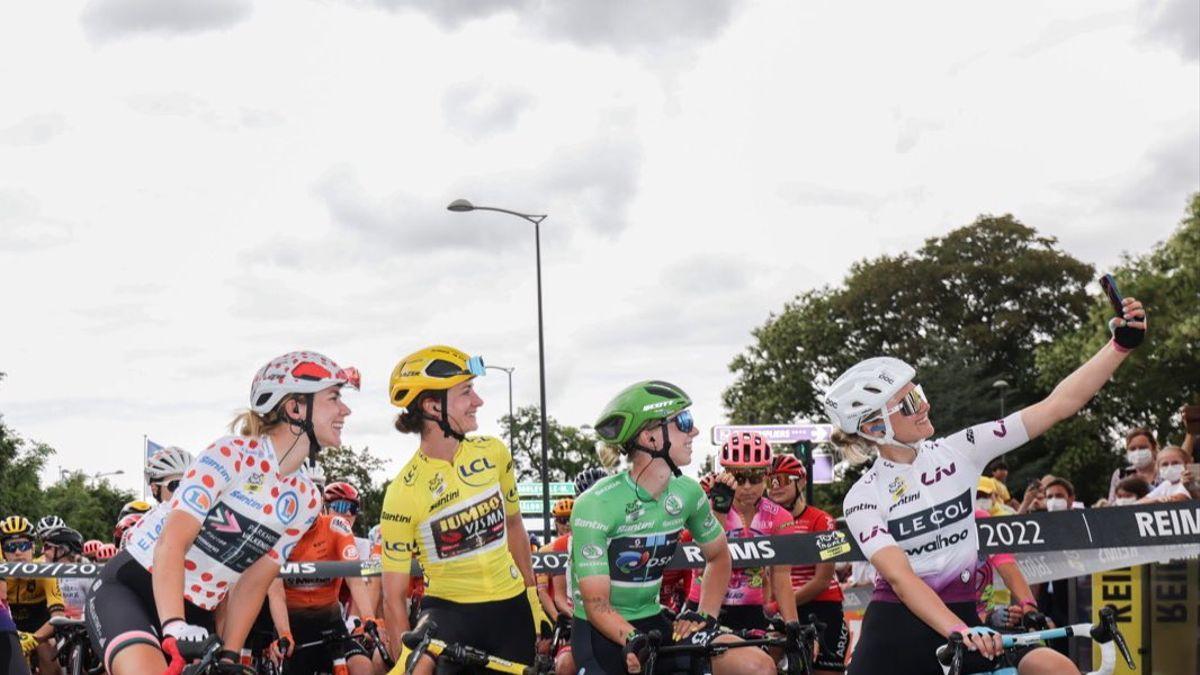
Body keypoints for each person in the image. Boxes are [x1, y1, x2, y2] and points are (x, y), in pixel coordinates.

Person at [830, 291, 1145, 675]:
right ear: (874, 426)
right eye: (910, 402)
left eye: (920, 393)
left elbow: (1056, 406)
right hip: (899, 635)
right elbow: (900, 577)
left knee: (1054, 667)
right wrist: (959, 630)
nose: (925, 404)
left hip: (966, 621)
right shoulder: (862, 497)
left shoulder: (959, 450)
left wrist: (1119, 347)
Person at [84, 350, 358, 674]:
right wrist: (173, 625)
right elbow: (171, 543)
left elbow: (253, 583)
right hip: (135, 587)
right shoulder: (231, 455)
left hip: (199, 610)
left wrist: (230, 654)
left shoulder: (306, 499)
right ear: (295, 407)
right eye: (333, 398)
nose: (345, 409)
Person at [570, 380, 776, 675]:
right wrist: (633, 639)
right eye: (683, 422)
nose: (694, 431)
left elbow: (718, 557)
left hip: (655, 620)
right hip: (602, 631)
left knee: (758, 666)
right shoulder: (596, 503)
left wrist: (703, 615)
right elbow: (597, 605)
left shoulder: (687, 493)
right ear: (649, 436)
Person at [380, 345, 547, 674]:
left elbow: (514, 526)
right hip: (449, 614)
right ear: (432, 406)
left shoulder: (494, 453)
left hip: (511, 612)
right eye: (466, 391)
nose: (478, 401)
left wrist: (532, 596)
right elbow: (394, 597)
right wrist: (403, 656)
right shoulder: (403, 492)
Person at [687, 432, 798, 634]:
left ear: (766, 475)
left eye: (755, 477)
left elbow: (781, 577)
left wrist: (792, 625)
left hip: (751, 610)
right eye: (739, 478)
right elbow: (703, 563)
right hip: (704, 603)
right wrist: (718, 513)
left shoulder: (780, 517)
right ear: (726, 474)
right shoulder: (706, 505)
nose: (747, 486)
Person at [271, 484, 377, 675]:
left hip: (331, 623)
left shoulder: (337, 526)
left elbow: (354, 577)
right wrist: (284, 633)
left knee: (363, 667)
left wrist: (368, 617)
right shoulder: (277, 533)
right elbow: (276, 593)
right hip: (293, 626)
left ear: (320, 505)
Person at [767, 453, 849, 675]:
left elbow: (823, 580)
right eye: (769, 481)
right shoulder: (765, 523)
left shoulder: (824, 520)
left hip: (823, 608)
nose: (775, 486)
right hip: (785, 608)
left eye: (782, 479)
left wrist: (778, 605)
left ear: (801, 482)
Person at [3, 514, 64, 675]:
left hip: (40, 628)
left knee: (47, 649)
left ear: (33, 547)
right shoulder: (1, 574)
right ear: (3, 552)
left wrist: (34, 639)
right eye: (10, 547)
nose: (17, 552)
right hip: (9, 625)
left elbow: (57, 616)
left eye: (23, 546)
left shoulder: (45, 569)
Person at [40, 527, 88, 620]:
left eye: (47, 547)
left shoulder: (84, 576)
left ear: (62, 550)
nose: (42, 551)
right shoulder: (45, 574)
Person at [1107, 427, 1161, 501]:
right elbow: (1112, 505)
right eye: (1132, 449)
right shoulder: (1121, 475)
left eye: (1142, 447)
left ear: (1154, 449)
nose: (1137, 452)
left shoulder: (1165, 472)